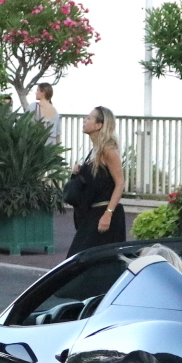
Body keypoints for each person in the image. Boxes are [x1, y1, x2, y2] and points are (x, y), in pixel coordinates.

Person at [66, 106, 126, 257]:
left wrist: (108, 214)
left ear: (99, 125)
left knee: (83, 260)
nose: (85, 121)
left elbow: (120, 183)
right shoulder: (94, 151)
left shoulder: (109, 151)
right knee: (81, 260)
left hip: (104, 214)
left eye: (89, 118)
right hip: (91, 213)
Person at [31, 82, 61, 147]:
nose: (36, 93)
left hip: (36, 144)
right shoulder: (56, 112)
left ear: (43, 93)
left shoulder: (33, 106)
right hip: (51, 146)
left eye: (37, 90)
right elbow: (58, 135)